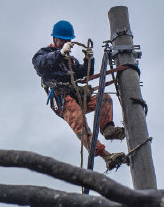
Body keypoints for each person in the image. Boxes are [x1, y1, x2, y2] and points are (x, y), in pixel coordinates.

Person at [32, 20, 127, 170]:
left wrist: (88, 60)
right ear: (55, 39)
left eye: (67, 40)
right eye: (62, 40)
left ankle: (108, 129)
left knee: (104, 99)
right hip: (62, 99)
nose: (65, 43)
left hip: (77, 96)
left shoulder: (70, 60)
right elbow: (40, 65)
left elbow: (84, 73)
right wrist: (60, 53)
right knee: (81, 125)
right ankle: (106, 156)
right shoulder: (44, 54)